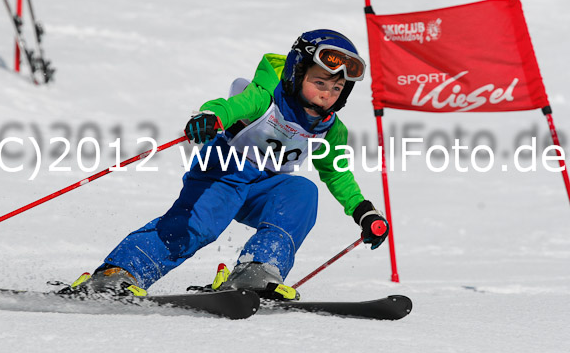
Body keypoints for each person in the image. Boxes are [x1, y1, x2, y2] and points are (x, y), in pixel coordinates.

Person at [64, 29, 389, 300]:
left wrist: (364, 211)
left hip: (266, 186)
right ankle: (120, 273)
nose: (327, 94)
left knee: (302, 191)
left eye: (336, 88)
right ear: (297, 72)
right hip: (223, 172)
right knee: (199, 227)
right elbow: (228, 106)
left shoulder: (330, 128)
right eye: (320, 82)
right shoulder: (266, 98)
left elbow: (336, 172)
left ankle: (257, 270)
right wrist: (210, 117)